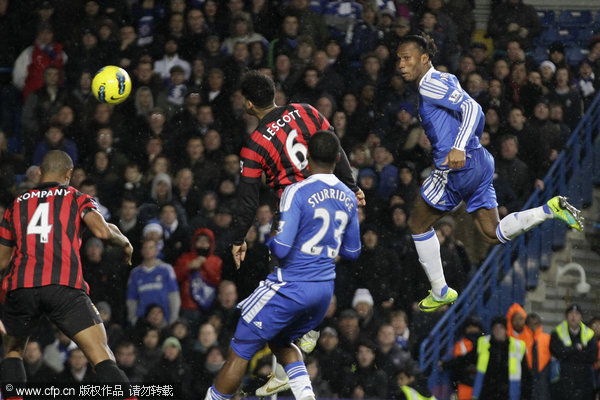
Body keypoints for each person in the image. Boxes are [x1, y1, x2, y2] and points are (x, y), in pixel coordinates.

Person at [396, 34, 584, 312]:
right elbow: (476, 115)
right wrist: (468, 145)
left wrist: (459, 147)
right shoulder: (445, 78)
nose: (400, 63)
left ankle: (440, 290)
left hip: (457, 167)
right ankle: (549, 209)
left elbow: (473, 107)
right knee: (492, 233)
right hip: (480, 161)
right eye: (399, 58)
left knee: (417, 223)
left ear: (424, 58)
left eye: (406, 57)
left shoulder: (430, 85)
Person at [230, 70, 364, 395]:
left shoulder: (254, 145)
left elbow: (248, 199)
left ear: (248, 104)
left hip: (295, 209)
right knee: (308, 276)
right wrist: (351, 184)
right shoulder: (306, 111)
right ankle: (288, 364)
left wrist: (237, 237)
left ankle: (308, 333)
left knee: (283, 282)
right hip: (327, 203)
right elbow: (335, 148)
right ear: (274, 91)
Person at [205, 130, 361, 400]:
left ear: (307, 158)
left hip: (289, 286)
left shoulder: (297, 191)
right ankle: (306, 396)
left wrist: (273, 239)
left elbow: (283, 247)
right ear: (338, 158)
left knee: (240, 347)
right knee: (280, 340)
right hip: (323, 291)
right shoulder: (348, 196)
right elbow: (353, 251)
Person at [0, 150, 136, 400]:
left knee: (13, 352)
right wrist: (125, 243)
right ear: (69, 175)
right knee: (100, 353)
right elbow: (103, 232)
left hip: (21, 287)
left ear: (40, 173)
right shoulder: (76, 197)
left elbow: (2, 260)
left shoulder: (16, 204)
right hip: (64, 286)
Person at [472, 316, 530, 400]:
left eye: (501, 327)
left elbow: (526, 374)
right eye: (495, 327)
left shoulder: (517, 346)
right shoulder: (483, 343)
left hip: (508, 393)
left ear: (506, 329)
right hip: (487, 392)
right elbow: (468, 359)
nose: (498, 330)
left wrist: (526, 395)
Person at [550, 304, 598, 400]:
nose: (573, 316)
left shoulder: (589, 334)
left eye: (576, 313)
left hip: (583, 380)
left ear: (581, 317)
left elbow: (592, 356)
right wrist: (576, 348)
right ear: (566, 316)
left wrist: (568, 352)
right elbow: (557, 352)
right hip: (563, 379)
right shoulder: (557, 332)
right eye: (571, 313)